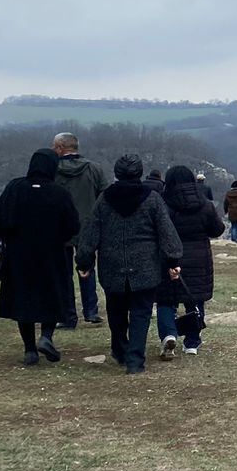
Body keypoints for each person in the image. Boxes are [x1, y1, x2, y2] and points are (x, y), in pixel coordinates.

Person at [75, 155, 183, 375]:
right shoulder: (152, 199)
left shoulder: (104, 199)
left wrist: (84, 260)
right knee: (141, 313)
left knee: (116, 310)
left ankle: (119, 348)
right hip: (145, 266)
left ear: (117, 173)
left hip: (112, 265)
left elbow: (91, 231)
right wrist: (173, 260)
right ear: (139, 173)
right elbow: (167, 232)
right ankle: (135, 359)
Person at [0, 149, 81, 365]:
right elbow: (73, 225)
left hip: (18, 256)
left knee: (23, 299)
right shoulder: (59, 193)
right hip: (51, 254)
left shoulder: (15, 188)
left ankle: (29, 349)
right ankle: (46, 336)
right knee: (52, 295)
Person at [156, 166, 225, 359]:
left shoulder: (163, 205)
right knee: (195, 299)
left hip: (170, 258)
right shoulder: (205, 204)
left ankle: (169, 334)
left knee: (166, 300)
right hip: (198, 258)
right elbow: (217, 229)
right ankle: (192, 342)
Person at [51, 132, 107, 328]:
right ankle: (91, 311)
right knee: (87, 269)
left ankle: (67, 316)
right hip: (88, 227)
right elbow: (104, 197)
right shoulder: (94, 168)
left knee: (63, 274)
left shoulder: (53, 170)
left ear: (60, 148)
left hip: (60, 229)